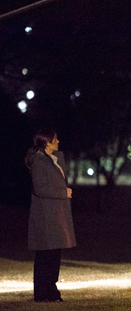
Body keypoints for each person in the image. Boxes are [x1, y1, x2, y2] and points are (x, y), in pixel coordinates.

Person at [25, 128, 76, 303]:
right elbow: (40, 189)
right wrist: (63, 192)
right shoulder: (39, 162)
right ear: (47, 142)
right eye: (55, 139)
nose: (58, 141)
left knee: (53, 253)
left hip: (55, 214)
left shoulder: (52, 160)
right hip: (46, 215)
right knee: (46, 255)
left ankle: (50, 291)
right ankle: (44, 292)